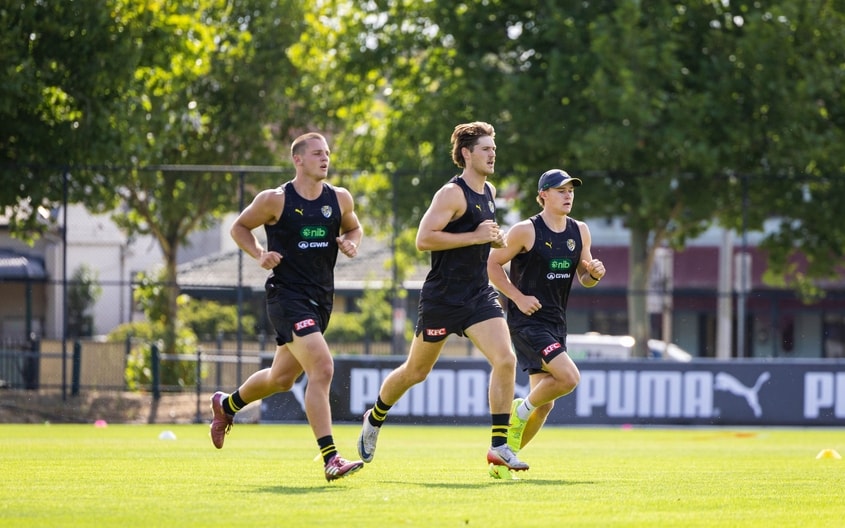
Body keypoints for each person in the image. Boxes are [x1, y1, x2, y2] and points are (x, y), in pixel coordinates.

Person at [356, 121, 529, 476]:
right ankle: (374, 417)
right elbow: (424, 239)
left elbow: (479, 235)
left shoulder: (490, 191)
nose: (493, 154)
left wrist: (492, 239)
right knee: (416, 372)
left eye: (494, 148)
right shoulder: (451, 194)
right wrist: (475, 236)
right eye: (486, 149)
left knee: (505, 359)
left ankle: (499, 446)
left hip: (478, 294)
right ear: (466, 154)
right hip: (443, 298)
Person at [210, 132, 365, 482]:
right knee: (322, 368)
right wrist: (259, 254)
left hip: (321, 300)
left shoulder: (339, 198)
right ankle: (331, 458)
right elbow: (239, 227)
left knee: (281, 379)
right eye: (317, 153)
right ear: (297, 159)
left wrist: (351, 243)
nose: (325, 159)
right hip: (286, 297)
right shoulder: (275, 200)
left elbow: (354, 228)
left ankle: (227, 405)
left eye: (327, 153)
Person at [487, 169, 605, 475]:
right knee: (569, 377)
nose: (568, 195)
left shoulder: (580, 231)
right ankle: (519, 410)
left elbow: (584, 276)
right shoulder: (525, 230)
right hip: (527, 322)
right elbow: (493, 264)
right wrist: (518, 297)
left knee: (545, 405)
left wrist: (593, 274)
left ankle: (503, 459)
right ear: (543, 195)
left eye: (571, 190)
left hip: (556, 323)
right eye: (560, 190)